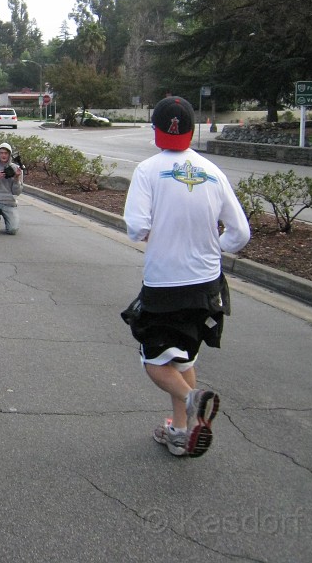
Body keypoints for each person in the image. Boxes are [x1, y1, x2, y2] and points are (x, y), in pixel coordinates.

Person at [122, 95, 250, 458]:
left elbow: (136, 227)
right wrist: (212, 245)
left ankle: (193, 398)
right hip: (208, 284)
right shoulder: (213, 172)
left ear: (156, 130)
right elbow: (240, 234)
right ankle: (180, 433)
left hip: (165, 283)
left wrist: (158, 234)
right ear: (193, 131)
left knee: (155, 360)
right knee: (183, 360)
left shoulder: (148, 170)